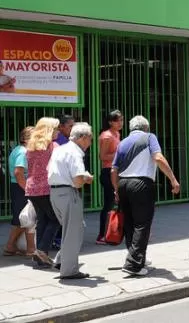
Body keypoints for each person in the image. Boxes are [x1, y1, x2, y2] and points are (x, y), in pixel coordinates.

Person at [111, 115, 180, 276]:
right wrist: (173, 179)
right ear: (146, 127)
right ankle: (134, 264)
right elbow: (158, 157)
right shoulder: (149, 137)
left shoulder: (122, 143)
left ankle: (135, 257)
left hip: (123, 184)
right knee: (142, 224)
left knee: (129, 223)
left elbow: (113, 169)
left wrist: (116, 189)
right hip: (141, 184)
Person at [47, 123, 95, 279]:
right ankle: (69, 270)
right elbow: (77, 181)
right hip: (68, 193)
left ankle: (61, 260)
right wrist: (86, 178)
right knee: (73, 231)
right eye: (90, 139)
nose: (90, 143)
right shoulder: (75, 153)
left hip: (54, 193)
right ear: (82, 138)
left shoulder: (60, 149)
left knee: (73, 229)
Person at [24, 117, 60, 268]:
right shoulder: (53, 146)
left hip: (32, 188)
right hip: (46, 188)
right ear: (49, 130)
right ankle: (42, 251)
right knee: (56, 219)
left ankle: (40, 257)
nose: (58, 131)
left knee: (42, 220)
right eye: (56, 128)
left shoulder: (31, 146)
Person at [4, 126, 35, 257]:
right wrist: (28, 189)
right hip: (21, 187)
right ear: (26, 139)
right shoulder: (23, 152)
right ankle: (28, 249)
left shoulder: (18, 149)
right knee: (26, 219)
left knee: (23, 219)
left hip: (19, 186)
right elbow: (18, 172)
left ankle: (13, 247)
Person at [96, 110, 123, 245]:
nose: (120, 123)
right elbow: (102, 156)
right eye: (118, 120)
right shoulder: (106, 136)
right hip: (108, 172)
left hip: (116, 171)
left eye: (121, 120)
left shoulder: (117, 134)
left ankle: (113, 231)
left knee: (116, 202)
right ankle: (101, 235)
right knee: (108, 204)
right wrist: (120, 154)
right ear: (110, 122)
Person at [50, 113, 74, 250]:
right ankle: (58, 239)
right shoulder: (58, 141)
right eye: (70, 126)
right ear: (61, 126)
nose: (72, 128)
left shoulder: (64, 138)